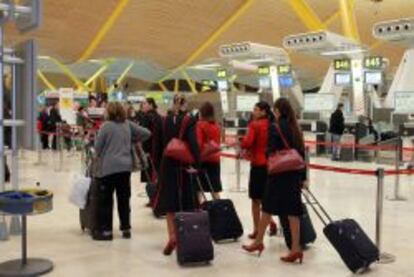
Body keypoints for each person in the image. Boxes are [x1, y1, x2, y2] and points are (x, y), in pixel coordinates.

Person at [242, 98, 307, 264]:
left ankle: (258, 242)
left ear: (277, 111)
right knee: (293, 211)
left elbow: (270, 150)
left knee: (268, 207)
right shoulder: (295, 128)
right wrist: (303, 177)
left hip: (278, 174)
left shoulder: (275, 127)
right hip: (293, 174)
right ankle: (295, 249)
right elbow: (301, 153)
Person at [94, 102, 151, 240]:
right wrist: (132, 139)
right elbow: (147, 133)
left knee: (106, 200)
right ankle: (126, 229)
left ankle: (106, 231)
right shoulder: (127, 124)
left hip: (108, 169)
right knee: (124, 200)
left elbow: (97, 148)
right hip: (125, 169)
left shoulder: (106, 126)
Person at [153, 94, 200, 256]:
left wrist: (158, 168)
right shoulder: (189, 121)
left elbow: (157, 145)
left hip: (167, 165)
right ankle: (185, 238)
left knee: (170, 203)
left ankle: (172, 236)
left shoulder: (163, 120)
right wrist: (197, 164)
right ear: (185, 104)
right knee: (186, 202)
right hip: (184, 165)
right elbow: (194, 144)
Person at [240, 101, 277, 240]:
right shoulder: (272, 124)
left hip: (257, 165)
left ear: (263, 112)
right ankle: (271, 222)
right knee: (264, 198)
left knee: (255, 200)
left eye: (255, 109)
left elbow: (247, 143)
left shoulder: (254, 125)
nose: (253, 112)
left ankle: (257, 229)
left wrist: (241, 142)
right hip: (270, 165)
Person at [196, 102, 222, 200]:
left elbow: (198, 143)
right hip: (215, 159)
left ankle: (198, 211)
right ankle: (219, 210)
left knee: (198, 188)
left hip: (204, 159)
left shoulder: (200, 124)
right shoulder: (216, 125)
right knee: (214, 189)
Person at [140, 98, 163, 206]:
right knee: (156, 175)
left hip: (150, 151)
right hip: (158, 151)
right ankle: (157, 198)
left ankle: (153, 200)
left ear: (151, 105)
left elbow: (144, 135)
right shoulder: (158, 117)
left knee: (151, 176)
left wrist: (144, 150)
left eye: (144, 104)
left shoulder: (147, 117)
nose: (142, 106)